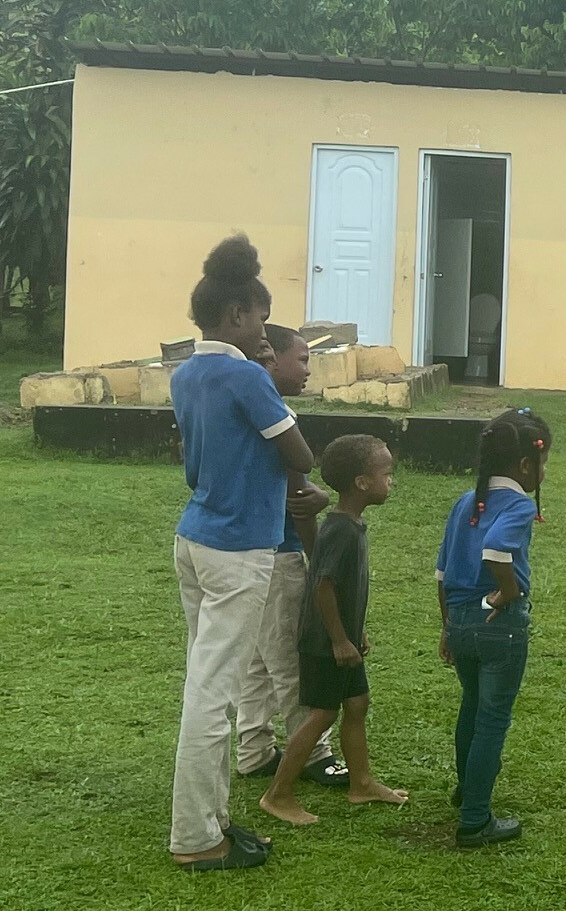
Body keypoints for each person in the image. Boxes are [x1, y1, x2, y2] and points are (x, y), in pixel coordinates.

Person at [167, 235, 317, 871]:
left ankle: (217, 821)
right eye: (258, 315)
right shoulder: (246, 374)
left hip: (196, 538)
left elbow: (193, 466)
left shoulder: (186, 372)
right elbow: (302, 455)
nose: (264, 327)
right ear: (234, 314)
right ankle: (197, 839)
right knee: (213, 694)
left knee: (211, 684)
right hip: (239, 549)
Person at [259, 435, 408, 823]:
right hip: (325, 643)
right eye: (386, 473)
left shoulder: (351, 524)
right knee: (323, 714)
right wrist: (340, 639)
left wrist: (355, 632)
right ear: (362, 483)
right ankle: (278, 794)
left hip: (345, 638)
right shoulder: (340, 530)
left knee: (357, 704)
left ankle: (361, 785)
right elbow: (322, 586)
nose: (391, 481)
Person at [236, 326, 347, 788]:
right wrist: (316, 550)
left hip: (241, 549)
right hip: (277, 552)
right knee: (289, 657)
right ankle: (313, 750)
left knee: (257, 659)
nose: (307, 370)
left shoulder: (236, 408)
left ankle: (253, 748)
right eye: (301, 360)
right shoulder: (274, 413)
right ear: (271, 359)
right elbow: (299, 494)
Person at [437, 408, 552, 848]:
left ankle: (469, 787)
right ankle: (475, 819)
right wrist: (509, 592)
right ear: (526, 465)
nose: (543, 472)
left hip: (461, 623)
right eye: (542, 463)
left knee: (471, 705)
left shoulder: (465, 503)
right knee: (492, 719)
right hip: (498, 626)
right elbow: (497, 552)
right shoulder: (519, 505)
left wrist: (448, 629)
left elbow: (442, 575)